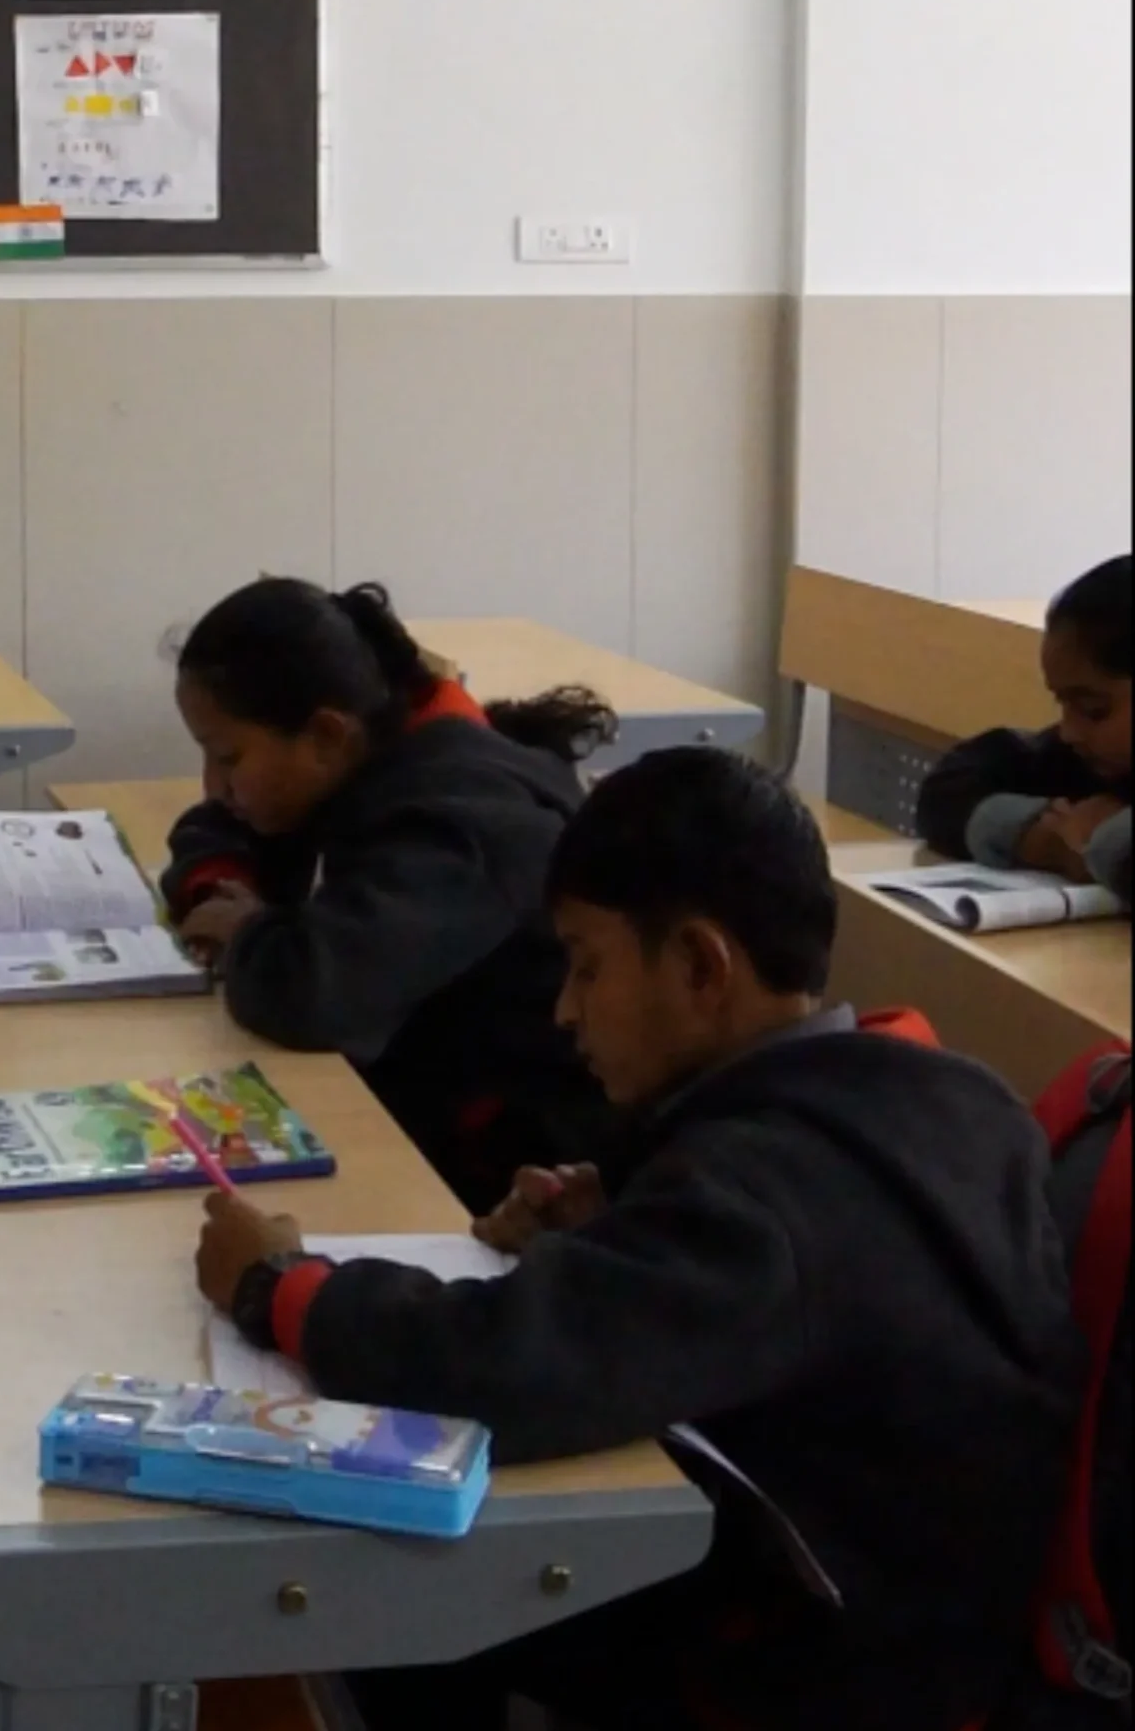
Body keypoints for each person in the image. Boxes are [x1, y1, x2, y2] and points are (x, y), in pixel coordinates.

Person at [194, 749, 1081, 1731]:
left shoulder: (760, 1198)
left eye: (585, 963)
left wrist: (279, 1285)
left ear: (702, 965)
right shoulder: (951, 1098)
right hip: (932, 1617)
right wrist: (619, 1228)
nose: (562, 1007)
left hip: (817, 1666)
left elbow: (502, 1367)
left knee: (403, 1588)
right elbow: (792, 1301)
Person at [161, 578, 615, 1210]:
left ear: (326, 735)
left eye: (229, 758)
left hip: (500, 1168)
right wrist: (222, 884)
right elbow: (214, 824)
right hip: (417, 1104)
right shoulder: (365, 759)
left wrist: (246, 933)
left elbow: (317, 994)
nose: (214, 785)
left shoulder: (462, 825)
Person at [917, 555, 1132, 901]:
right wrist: (1042, 840)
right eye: (1063, 705)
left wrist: (1106, 844)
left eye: (1094, 710)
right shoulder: (1082, 758)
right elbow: (947, 790)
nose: (1068, 732)